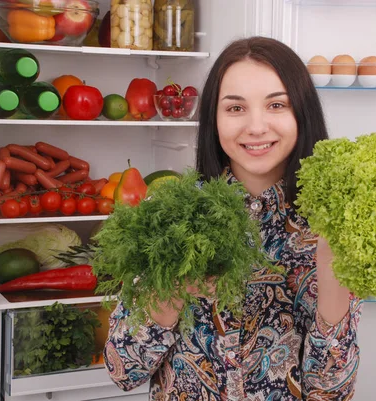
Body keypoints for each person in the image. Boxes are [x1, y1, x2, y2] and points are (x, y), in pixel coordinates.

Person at [103, 36, 362, 401]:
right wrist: (173, 293)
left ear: (301, 113)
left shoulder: (331, 226)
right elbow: (121, 371)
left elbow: (332, 393)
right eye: (236, 108)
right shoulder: (175, 217)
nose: (256, 127)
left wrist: (332, 266)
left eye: (276, 104)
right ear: (214, 118)